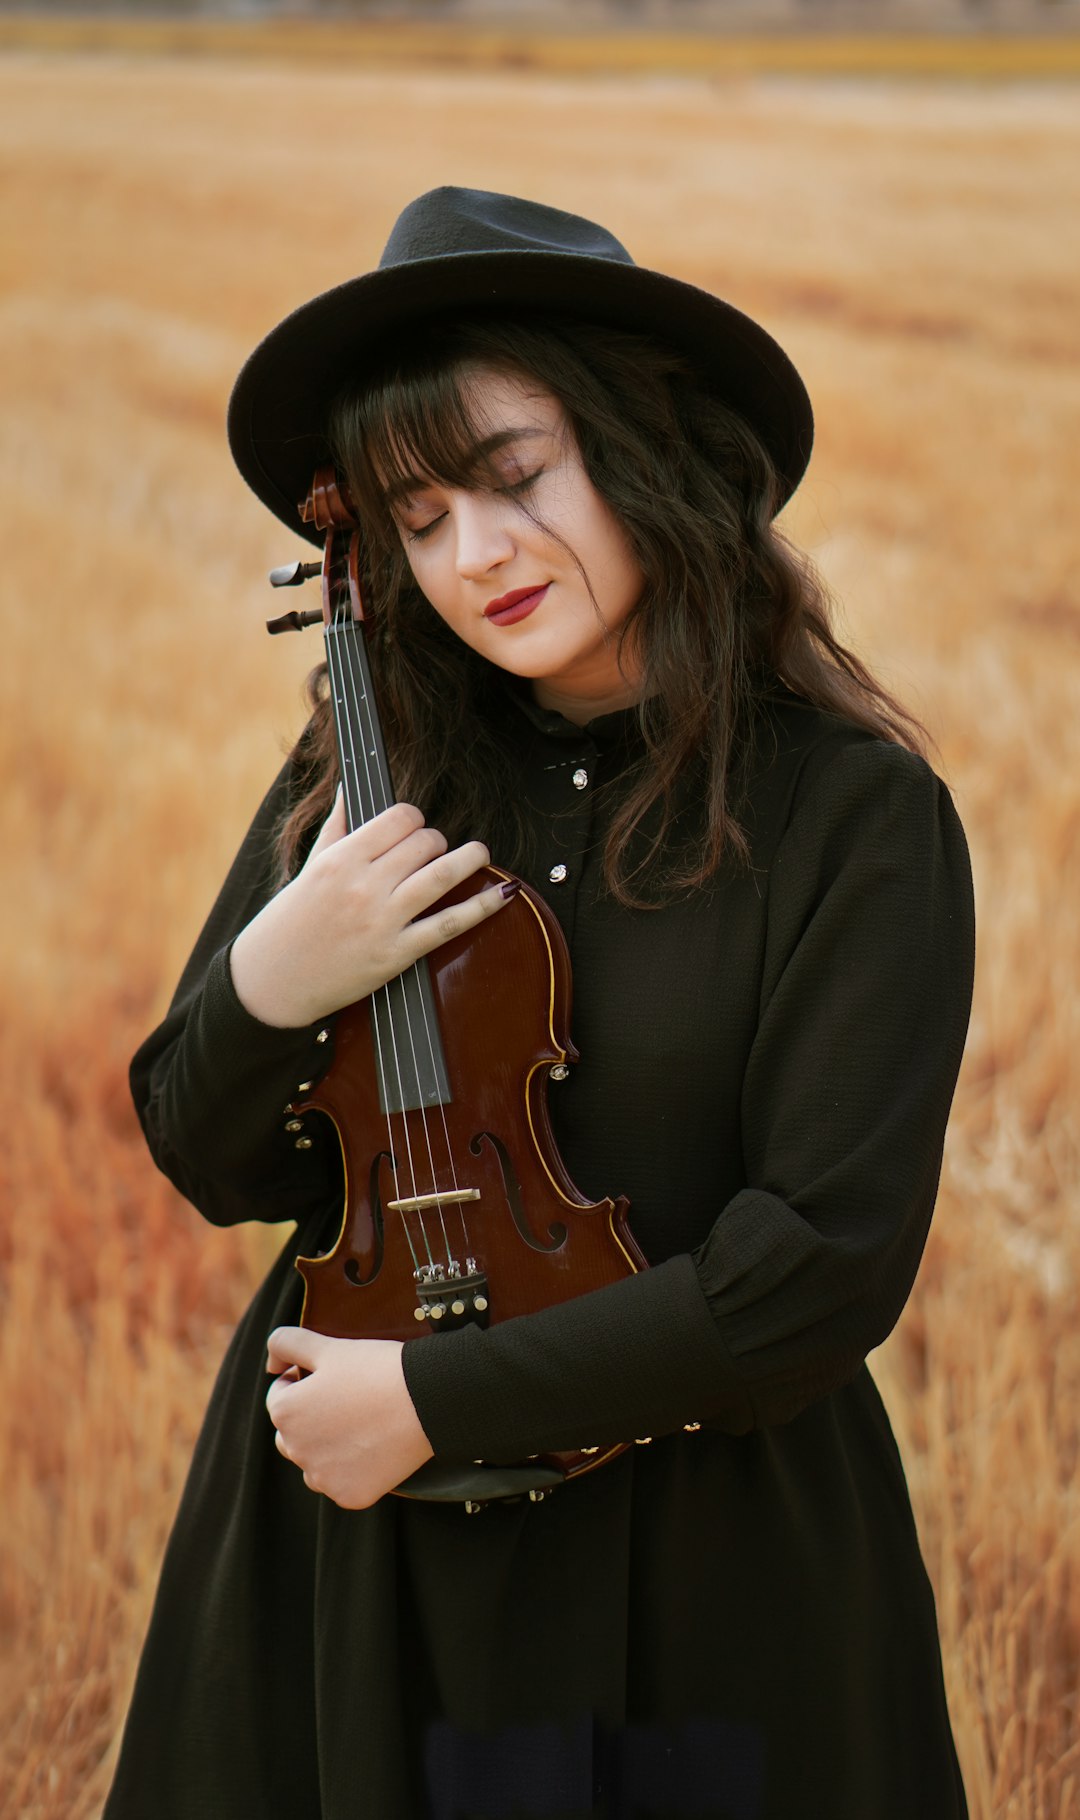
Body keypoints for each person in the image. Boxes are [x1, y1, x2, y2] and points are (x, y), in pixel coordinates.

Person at [104, 188, 974, 1820]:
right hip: (351, 1559)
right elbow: (211, 1156)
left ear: (648, 450)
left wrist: (433, 1403)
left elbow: (821, 1268)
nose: (473, 557)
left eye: (513, 482)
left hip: (702, 1566)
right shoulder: (364, 784)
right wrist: (270, 980)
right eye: (415, 520)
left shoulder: (853, 816)